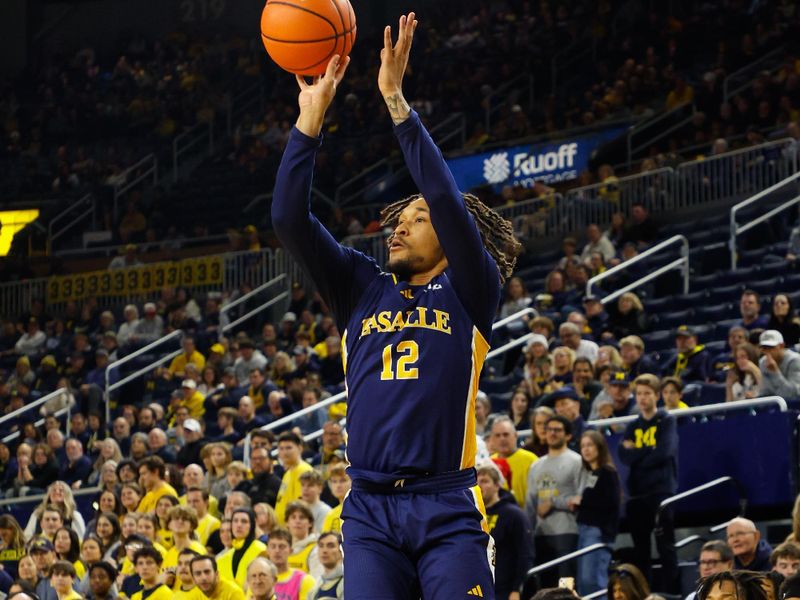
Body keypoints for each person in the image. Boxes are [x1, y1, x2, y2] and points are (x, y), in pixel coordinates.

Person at [272, 13, 519, 599]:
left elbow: (443, 195)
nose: (397, 229)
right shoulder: (360, 284)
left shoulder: (472, 288)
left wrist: (394, 100)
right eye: (396, 220)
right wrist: (309, 121)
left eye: (416, 220)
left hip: (448, 505)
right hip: (370, 509)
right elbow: (288, 219)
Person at [618, 374, 679, 592]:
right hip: (637, 495)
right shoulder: (633, 425)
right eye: (639, 394)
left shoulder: (666, 420)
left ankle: (672, 592)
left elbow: (664, 452)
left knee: (666, 546)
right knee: (640, 550)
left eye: (647, 393)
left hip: (661, 491)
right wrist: (647, 452)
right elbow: (623, 457)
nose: (642, 398)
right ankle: (643, 593)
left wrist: (638, 453)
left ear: (657, 395)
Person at [525, 415, 583, 587]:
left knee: (565, 585)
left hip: (567, 531)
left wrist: (553, 503)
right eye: (549, 429)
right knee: (545, 586)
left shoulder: (576, 461)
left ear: (568, 435)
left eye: (557, 430)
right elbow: (530, 503)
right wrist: (528, 533)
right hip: (541, 533)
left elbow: (580, 499)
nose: (552, 433)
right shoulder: (536, 465)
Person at [573, 431, 620, 596]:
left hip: (598, 532)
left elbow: (611, 503)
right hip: (584, 530)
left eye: (590, 445)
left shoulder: (608, 472)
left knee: (594, 582)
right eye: (583, 446)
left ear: (600, 447)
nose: (586, 449)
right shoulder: (590, 474)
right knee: (583, 583)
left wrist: (582, 501)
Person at [477, 463, 533, 600]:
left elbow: (525, 554)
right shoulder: (474, 515)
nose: (479, 486)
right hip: (480, 587)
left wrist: (516, 589)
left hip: (505, 590)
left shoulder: (514, 514)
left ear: (497, 486)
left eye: (485, 481)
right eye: (477, 482)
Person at [490, 417, 538, 507]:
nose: (502, 439)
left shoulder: (531, 460)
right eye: (497, 435)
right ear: (492, 439)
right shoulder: (489, 463)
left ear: (515, 435)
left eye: (506, 434)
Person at [217, 509, 268, 589]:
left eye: (244, 521)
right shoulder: (223, 558)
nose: (239, 525)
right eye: (235, 521)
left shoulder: (261, 550)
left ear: (252, 525)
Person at [274, 432, 313, 524]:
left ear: (300, 448)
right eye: (281, 449)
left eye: (289, 448)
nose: (284, 452)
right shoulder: (287, 473)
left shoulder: (304, 471)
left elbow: (301, 505)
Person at [267, 528, 316, 600]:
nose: (277, 550)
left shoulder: (304, 580)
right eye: (273, 546)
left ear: (291, 551)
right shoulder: (258, 579)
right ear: (267, 551)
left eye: (282, 546)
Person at [758, 330, 800, 398]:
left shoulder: (795, 360)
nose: (767, 352)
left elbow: (793, 394)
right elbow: (766, 392)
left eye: (771, 347)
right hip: (774, 404)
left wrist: (775, 372)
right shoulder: (763, 362)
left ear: (782, 346)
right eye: (764, 348)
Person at [308, 532, 344, 600]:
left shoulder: (347, 581)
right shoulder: (316, 584)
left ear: (341, 551)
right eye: (321, 546)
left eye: (330, 546)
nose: (324, 550)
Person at [321, 464, 351, 534]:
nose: (338, 485)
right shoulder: (331, 514)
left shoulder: (362, 509)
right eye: (334, 481)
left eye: (343, 480)